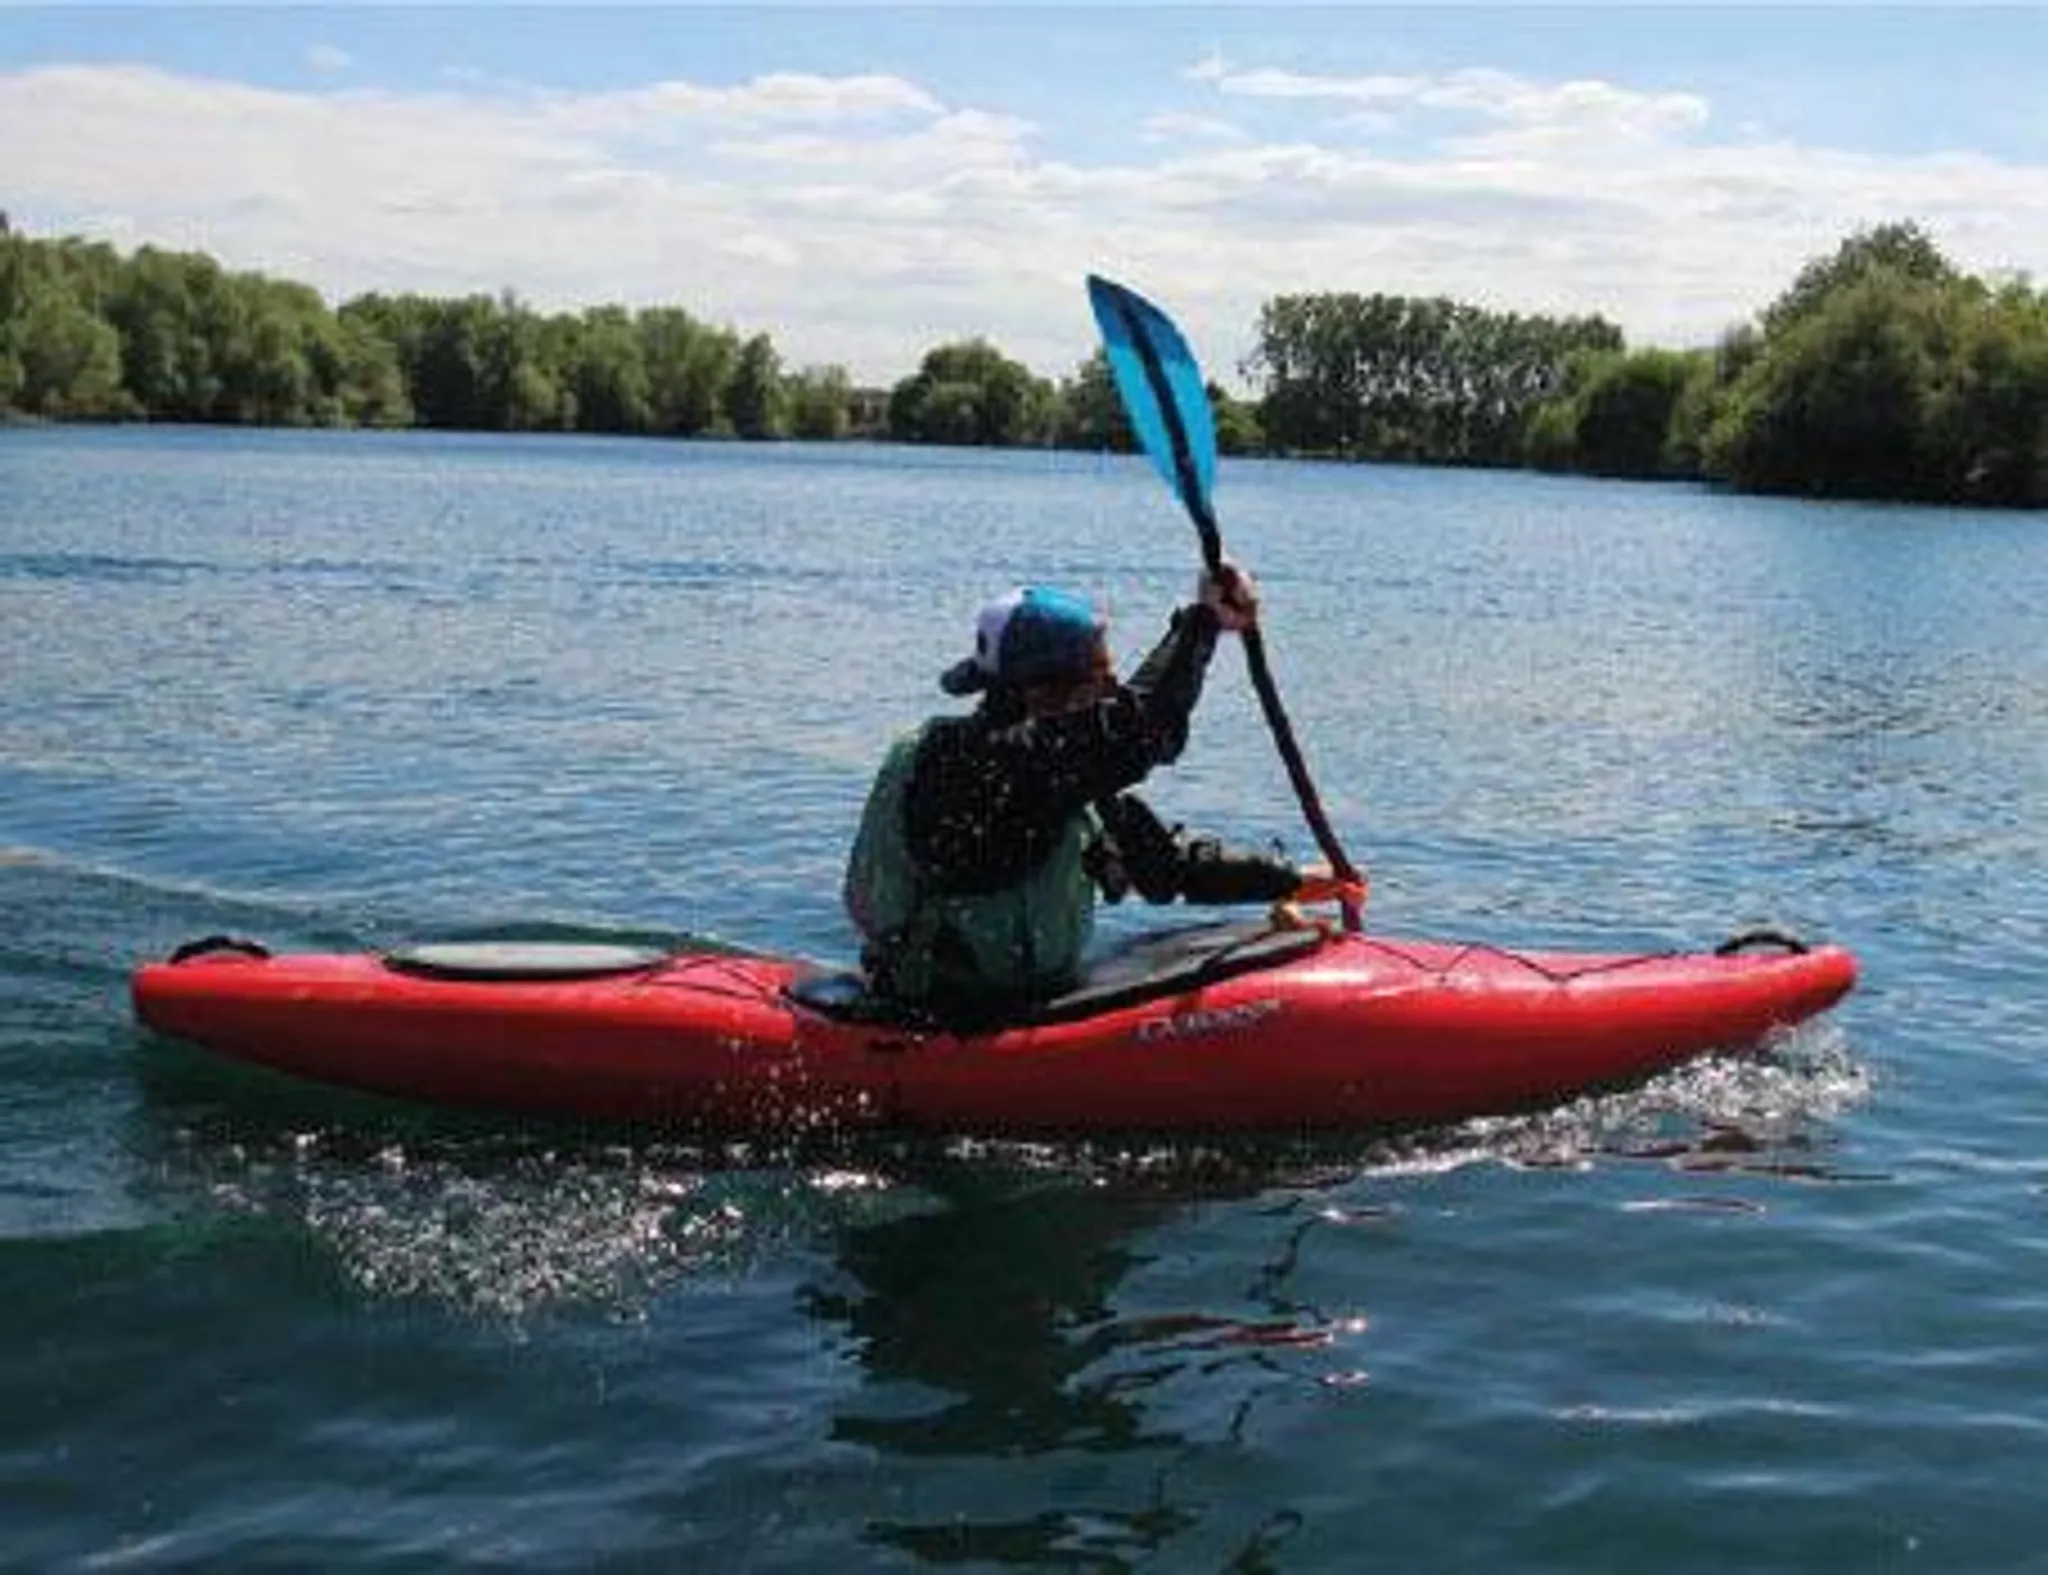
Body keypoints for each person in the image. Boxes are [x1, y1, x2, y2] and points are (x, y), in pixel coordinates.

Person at [844, 565, 1340, 1019]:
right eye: (1100, 680)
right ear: (1042, 692)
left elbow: (1163, 866)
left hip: (1004, 996)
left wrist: (1286, 879)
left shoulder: (1058, 772)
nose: (1112, 692)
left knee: (1227, 941)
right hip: (948, 1010)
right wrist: (1204, 622)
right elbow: (1144, 728)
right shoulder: (976, 763)